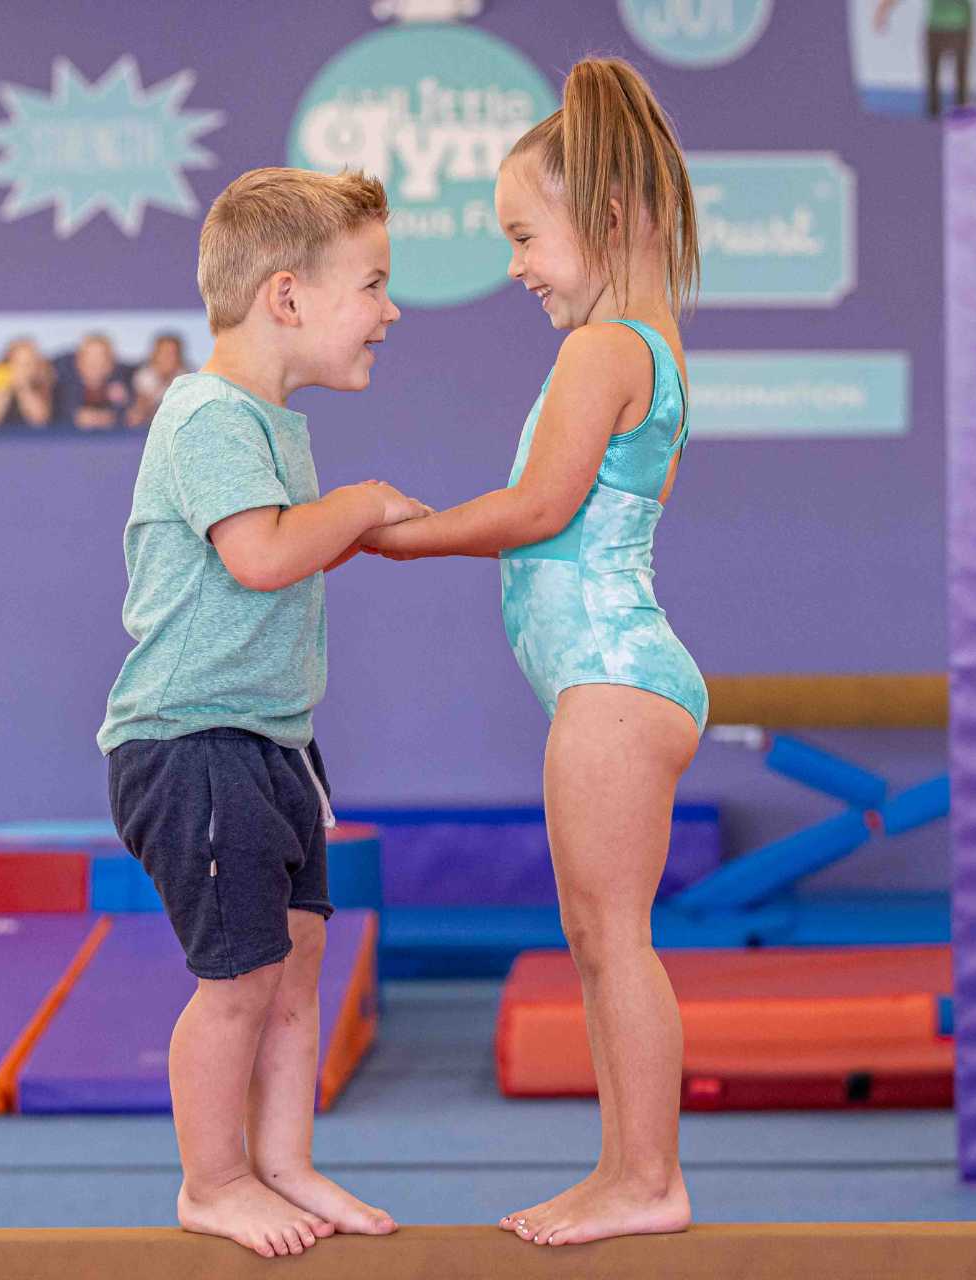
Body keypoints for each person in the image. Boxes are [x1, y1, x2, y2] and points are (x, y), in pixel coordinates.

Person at [358, 57, 704, 1248]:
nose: (513, 265)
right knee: (598, 938)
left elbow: (537, 507)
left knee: (615, 939)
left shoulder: (603, 349)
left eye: (524, 235)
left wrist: (396, 536)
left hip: (613, 678)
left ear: (604, 218)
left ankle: (647, 1174)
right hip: (609, 679)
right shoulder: (636, 342)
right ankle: (624, 1168)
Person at [98, 166, 423, 1259]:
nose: (391, 310)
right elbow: (261, 554)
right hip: (191, 741)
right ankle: (215, 1177)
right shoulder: (207, 415)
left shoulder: (273, 424)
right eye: (373, 284)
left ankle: (284, 1159)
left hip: (273, 738)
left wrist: (349, 512)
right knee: (237, 977)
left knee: (296, 959)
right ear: (286, 298)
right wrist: (363, 505)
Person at [0, 337, 55, 429]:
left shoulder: (42, 383)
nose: (23, 370)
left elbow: (39, 420)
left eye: (28, 364)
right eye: (18, 364)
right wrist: (4, 387)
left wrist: (23, 388)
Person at [129, 332, 189, 428]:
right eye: (163, 353)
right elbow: (140, 409)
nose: (167, 358)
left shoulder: (187, 377)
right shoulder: (144, 375)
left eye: (171, 354)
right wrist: (162, 381)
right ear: (155, 354)